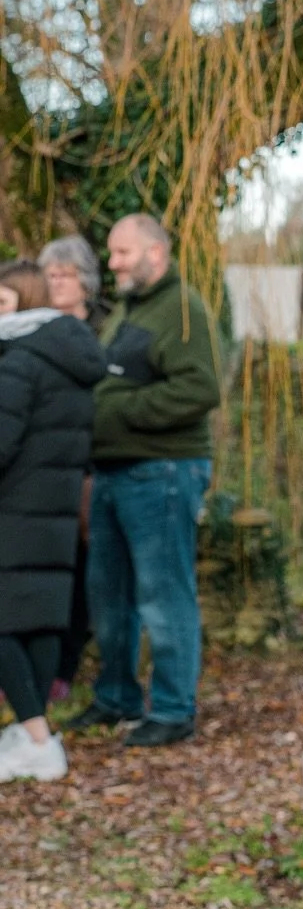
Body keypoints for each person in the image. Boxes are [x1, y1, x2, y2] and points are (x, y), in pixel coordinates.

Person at [67, 215, 221, 747]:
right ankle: (116, 697)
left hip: (162, 471)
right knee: (108, 595)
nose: (112, 264)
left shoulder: (181, 310)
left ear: (155, 254)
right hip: (113, 472)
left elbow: (200, 389)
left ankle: (175, 709)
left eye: (122, 253)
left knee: (162, 594)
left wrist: (117, 413)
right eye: (111, 253)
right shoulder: (126, 313)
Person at [0, 259, 106, 781]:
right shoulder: (67, 356)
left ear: (24, 300)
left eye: (1, 301)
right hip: (54, 510)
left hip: (15, 508)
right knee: (39, 621)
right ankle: (32, 736)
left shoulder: (18, 359)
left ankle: (38, 740)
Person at [39, 235, 109, 696]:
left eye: (66, 274)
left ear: (84, 280)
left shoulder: (104, 330)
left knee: (86, 571)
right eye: (50, 275)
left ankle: (67, 666)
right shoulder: (35, 327)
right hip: (43, 467)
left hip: (91, 467)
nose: (58, 282)